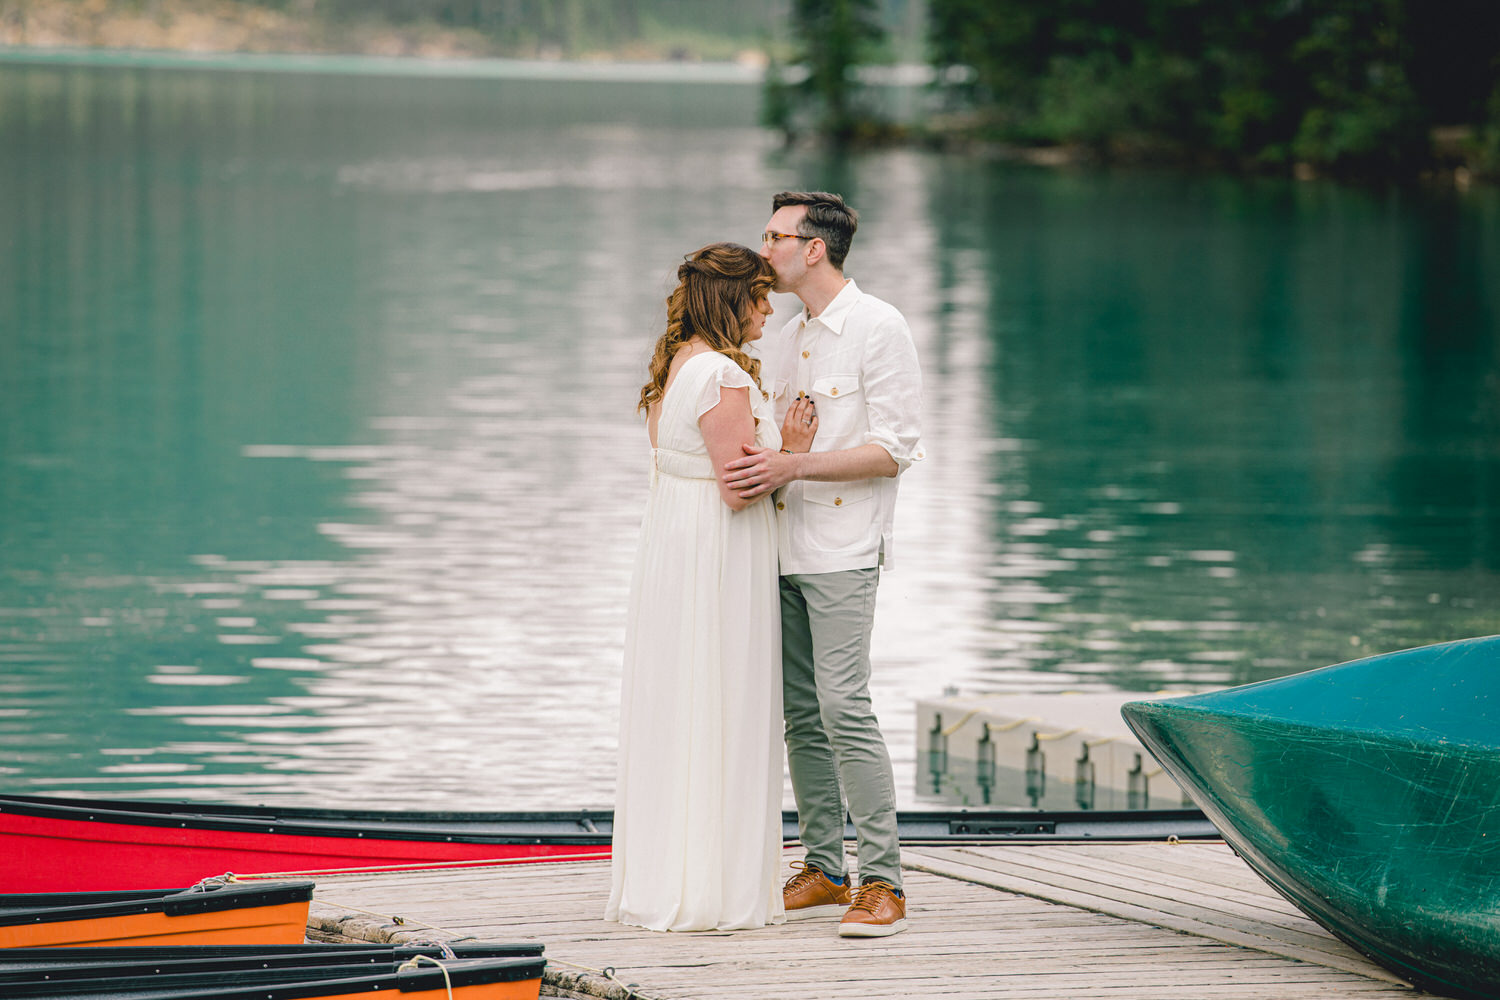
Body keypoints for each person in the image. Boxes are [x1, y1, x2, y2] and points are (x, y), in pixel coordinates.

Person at [724, 191, 924, 938]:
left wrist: (793, 468)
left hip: (842, 549)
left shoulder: (879, 327)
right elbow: (777, 446)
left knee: (845, 707)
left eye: (774, 236)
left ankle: (884, 883)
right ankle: (824, 867)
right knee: (800, 716)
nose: (763, 247)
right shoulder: (781, 334)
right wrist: (788, 461)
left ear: (814, 248)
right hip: (776, 548)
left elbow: (895, 452)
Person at [606, 242, 817, 932]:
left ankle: (676, 870)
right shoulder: (722, 375)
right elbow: (738, 489)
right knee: (722, 698)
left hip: (676, 550)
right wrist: (792, 450)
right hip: (719, 556)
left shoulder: (674, 366)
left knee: (685, 703)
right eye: (758, 298)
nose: (766, 311)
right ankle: (712, 888)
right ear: (731, 301)